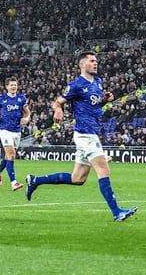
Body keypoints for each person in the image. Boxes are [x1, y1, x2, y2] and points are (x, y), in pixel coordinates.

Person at [25, 51, 137, 222]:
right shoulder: (76, 85)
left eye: (96, 61)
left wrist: (105, 100)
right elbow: (57, 102)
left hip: (91, 133)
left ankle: (35, 180)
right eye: (92, 61)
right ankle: (117, 212)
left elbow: (94, 103)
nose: (95, 63)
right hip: (85, 135)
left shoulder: (98, 82)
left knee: (78, 179)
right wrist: (58, 110)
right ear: (82, 65)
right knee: (104, 170)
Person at [0, 77, 30, 191]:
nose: (14, 87)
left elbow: (27, 113)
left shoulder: (21, 99)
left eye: (15, 85)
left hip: (17, 130)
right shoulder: (1, 99)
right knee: (11, 154)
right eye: (11, 85)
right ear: (7, 86)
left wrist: (26, 119)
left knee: (9, 156)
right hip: (4, 129)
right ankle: (14, 182)